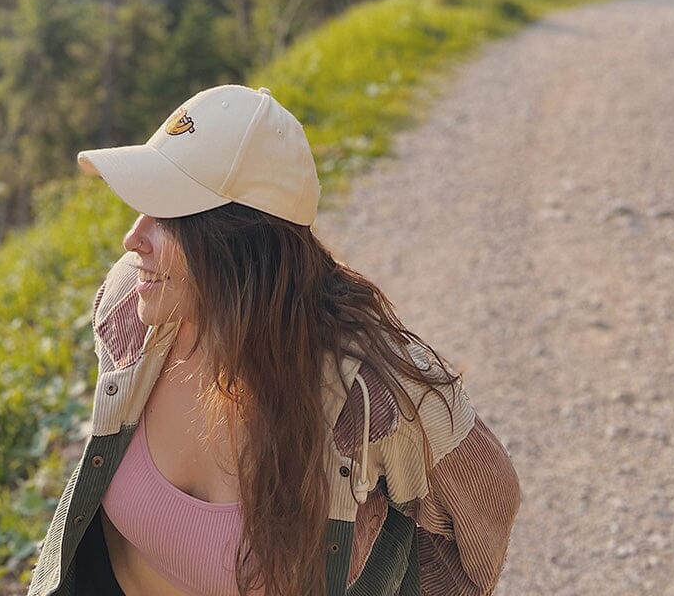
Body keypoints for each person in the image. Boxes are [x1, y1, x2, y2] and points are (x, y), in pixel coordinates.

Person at [27, 84, 521, 596]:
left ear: (243, 244)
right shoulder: (131, 303)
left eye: (168, 216)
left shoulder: (373, 391)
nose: (134, 239)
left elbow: (489, 501)